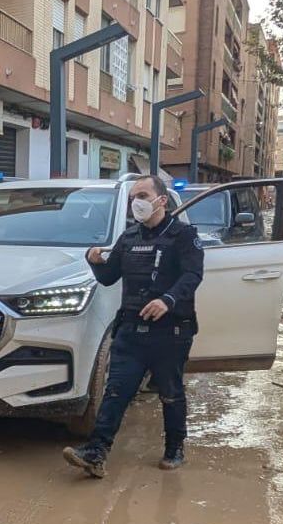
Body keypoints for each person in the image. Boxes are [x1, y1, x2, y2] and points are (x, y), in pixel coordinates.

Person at [63, 173, 204, 477]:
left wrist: (168, 299)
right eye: (133, 198)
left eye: (142, 196)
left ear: (161, 201)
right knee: (116, 391)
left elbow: (193, 276)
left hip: (171, 332)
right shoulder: (128, 238)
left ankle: (175, 448)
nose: (135, 203)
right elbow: (108, 277)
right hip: (131, 329)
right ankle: (96, 452)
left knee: (170, 391)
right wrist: (94, 261)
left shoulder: (184, 236)